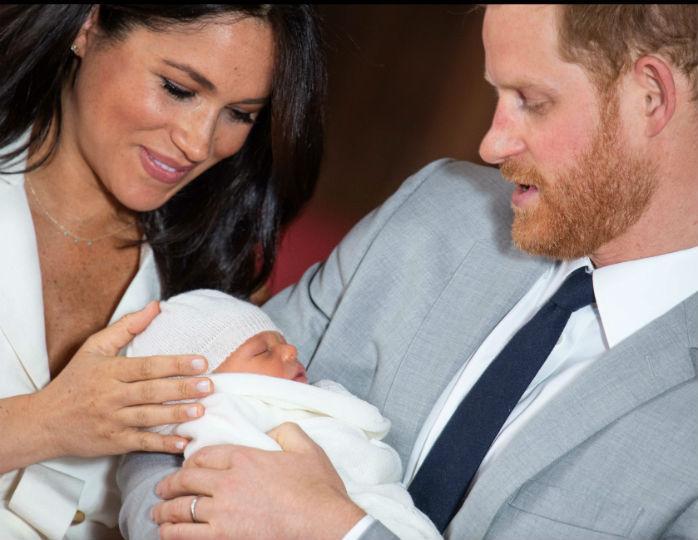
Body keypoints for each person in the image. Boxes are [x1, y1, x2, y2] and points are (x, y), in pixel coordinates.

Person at [119, 4, 698, 539]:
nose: (492, 145)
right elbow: (179, 415)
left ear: (650, 96)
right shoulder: (438, 206)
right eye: (496, 94)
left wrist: (338, 530)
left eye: (531, 100)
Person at [0, 4, 324, 539]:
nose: (198, 142)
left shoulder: (219, 283)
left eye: (240, 114)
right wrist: (47, 422)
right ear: (88, 25)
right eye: (178, 89)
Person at [123, 289, 440, 540]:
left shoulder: (310, 400)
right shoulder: (219, 413)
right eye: (263, 351)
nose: (291, 351)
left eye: (284, 342)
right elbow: (245, 487)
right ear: (204, 385)